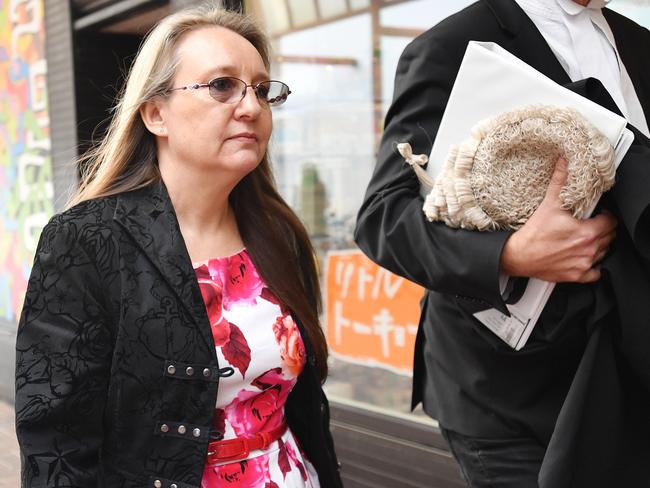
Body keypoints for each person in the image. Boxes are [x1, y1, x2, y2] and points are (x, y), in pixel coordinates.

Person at [15, 4, 342, 488]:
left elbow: (304, 405)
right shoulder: (86, 240)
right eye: (222, 85)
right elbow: (56, 446)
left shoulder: (277, 231)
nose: (251, 106)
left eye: (262, 89)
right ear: (155, 113)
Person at [355, 0, 650, 486]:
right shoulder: (450, 44)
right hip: (503, 396)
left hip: (623, 374)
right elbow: (383, 216)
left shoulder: (639, 42)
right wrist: (511, 255)